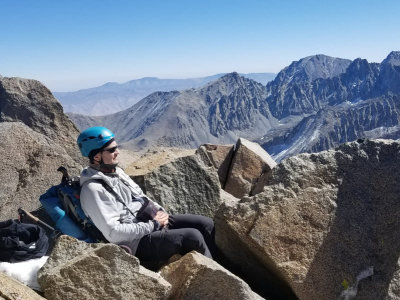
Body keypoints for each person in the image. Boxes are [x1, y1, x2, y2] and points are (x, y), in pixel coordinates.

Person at [77, 126, 216, 264]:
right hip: (136, 242)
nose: (117, 152)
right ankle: (215, 279)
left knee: (205, 224)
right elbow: (113, 233)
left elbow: (141, 196)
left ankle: (219, 266)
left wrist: (160, 212)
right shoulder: (92, 190)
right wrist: (154, 225)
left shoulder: (116, 172)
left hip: (150, 221)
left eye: (116, 147)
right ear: (96, 156)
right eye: (112, 150)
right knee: (193, 237)